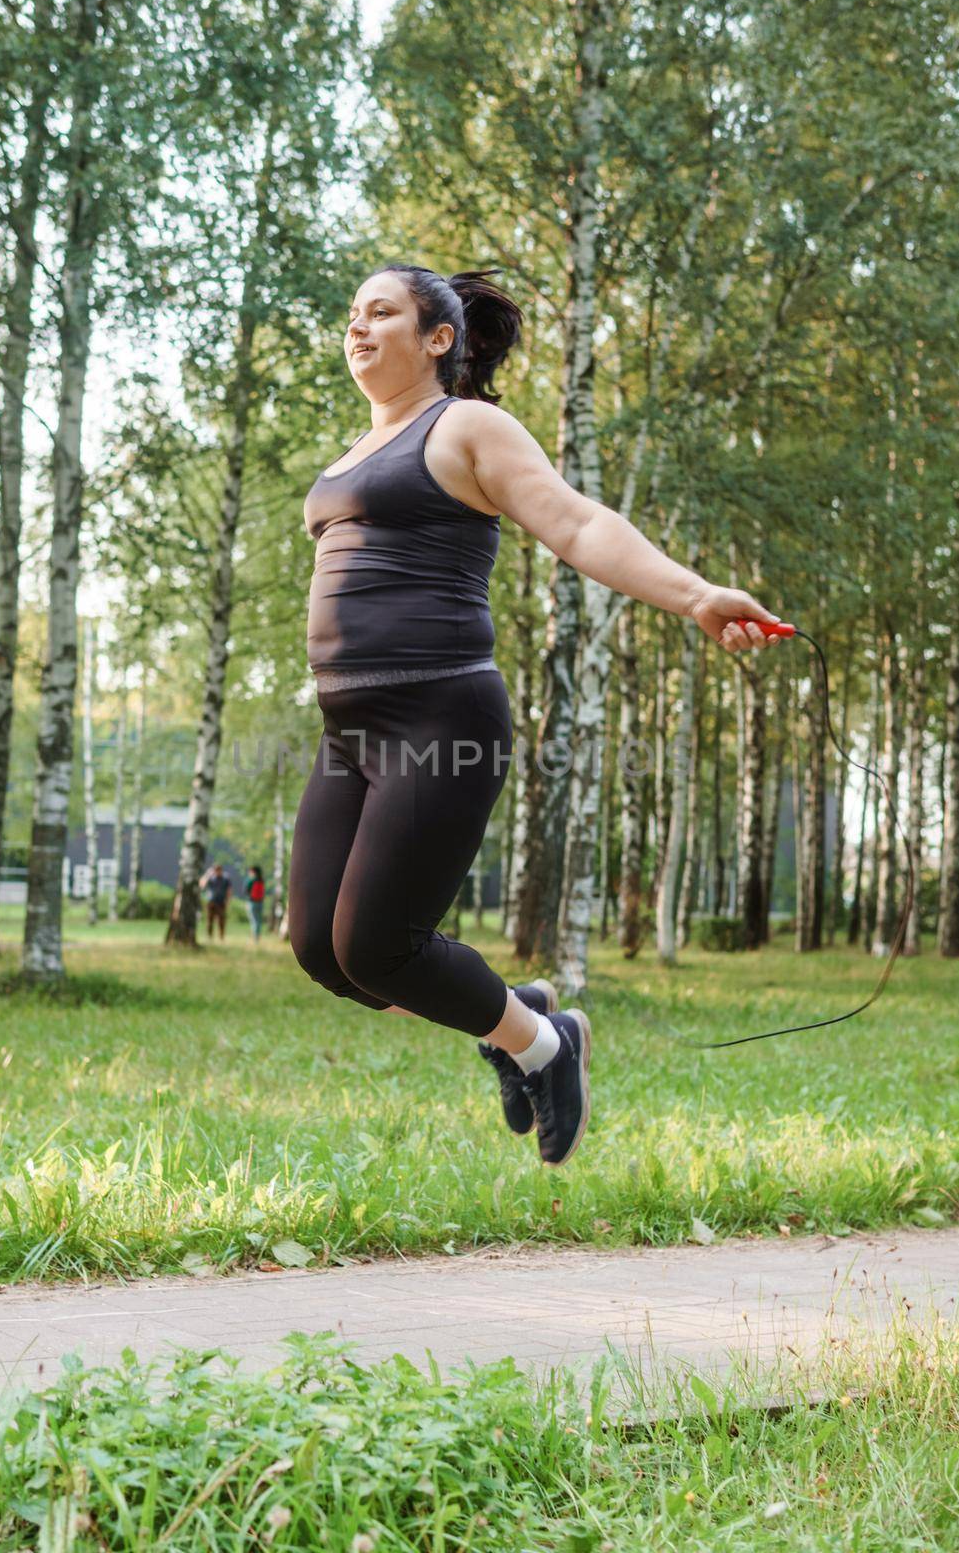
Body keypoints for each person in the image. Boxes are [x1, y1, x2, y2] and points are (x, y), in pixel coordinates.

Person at [289, 262, 781, 1168]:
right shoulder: (353, 451)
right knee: (323, 951)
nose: (356, 328)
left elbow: (578, 525)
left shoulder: (465, 425)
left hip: (441, 716)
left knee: (377, 946)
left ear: (438, 339)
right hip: (349, 728)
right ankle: (517, 1015)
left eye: (380, 313)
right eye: (350, 314)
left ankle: (545, 1046)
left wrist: (696, 594)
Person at [199, 863, 232, 940]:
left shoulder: (226, 878)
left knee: (221, 921)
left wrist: (228, 901)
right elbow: (201, 885)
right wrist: (207, 874)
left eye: (218, 870)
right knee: (209, 920)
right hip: (211, 902)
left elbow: (229, 890)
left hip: (221, 902)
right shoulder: (210, 878)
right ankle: (209, 937)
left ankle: (221, 937)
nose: (217, 872)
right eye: (215, 870)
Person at [245, 864, 266, 942]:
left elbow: (245, 890)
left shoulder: (251, 880)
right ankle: (257, 937)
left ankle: (255, 938)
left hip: (252, 902)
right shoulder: (261, 880)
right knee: (258, 921)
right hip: (260, 902)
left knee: (253, 921)